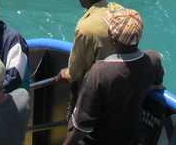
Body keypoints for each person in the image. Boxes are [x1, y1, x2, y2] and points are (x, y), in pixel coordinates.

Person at [62, 8, 164, 145]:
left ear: (113, 39)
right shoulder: (153, 60)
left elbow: (83, 127)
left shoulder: (99, 72)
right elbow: (157, 84)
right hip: (130, 139)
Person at [57, 0, 124, 86]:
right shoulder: (119, 10)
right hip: (123, 74)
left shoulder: (85, 27)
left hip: (100, 82)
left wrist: (67, 74)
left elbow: (77, 66)